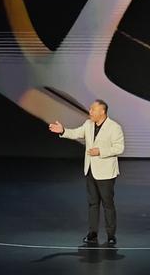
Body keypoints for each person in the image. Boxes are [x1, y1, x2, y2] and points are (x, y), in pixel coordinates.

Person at [49, 100, 125, 246]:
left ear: (102, 112)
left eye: (92, 109)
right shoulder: (88, 124)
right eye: (90, 109)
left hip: (106, 173)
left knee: (108, 204)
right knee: (92, 203)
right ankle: (92, 233)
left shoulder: (114, 127)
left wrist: (100, 151)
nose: (90, 112)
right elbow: (76, 133)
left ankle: (111, 235)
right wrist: (63, 131)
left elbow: (119, 148)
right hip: (90, 170)